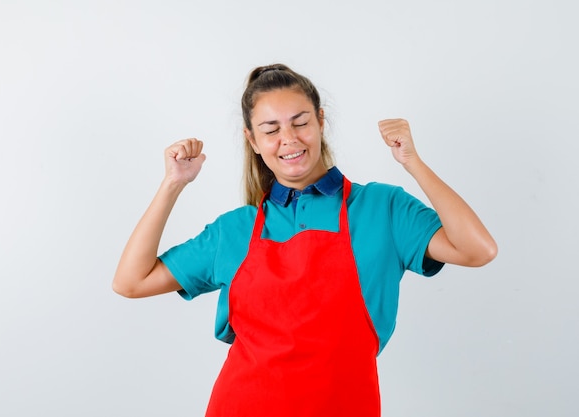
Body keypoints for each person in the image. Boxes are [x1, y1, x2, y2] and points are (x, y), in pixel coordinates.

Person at [112, 63, 497, 417]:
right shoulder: (236, 230)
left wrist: (413, 162)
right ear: (252, 139)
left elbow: (477, 249)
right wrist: (172, 184)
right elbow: (131, 282)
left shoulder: (383, 209)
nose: (289, 139)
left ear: (320, 121)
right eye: (271, 129)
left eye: (300, 122)